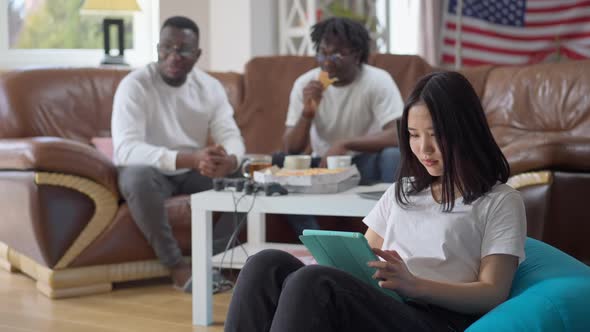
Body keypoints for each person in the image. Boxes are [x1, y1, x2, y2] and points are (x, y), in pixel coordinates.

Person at [225, 71, 527, 332]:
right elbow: (361, 258)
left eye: (435, 135)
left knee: (314, 282)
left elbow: (493, 292)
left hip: (437, 318)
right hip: (388, 303)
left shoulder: (500, 201)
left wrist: (415, 285)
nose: (425, 148)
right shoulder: (404, 190)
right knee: (265, 263)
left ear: (465, 131)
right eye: (413, 134)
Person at [112, 16, 245, 292]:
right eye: (166, 47)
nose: (173, 56)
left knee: (247, 182)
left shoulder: (210, 87)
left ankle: (211, 263)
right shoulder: (134, 85)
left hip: (194, 171)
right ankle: (176, 267)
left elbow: (230, 135)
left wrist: (228, 160)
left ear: (197, 55)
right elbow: (126, 149)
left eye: (183, 49)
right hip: (151, 172)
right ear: (157, 48)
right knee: (136, 176)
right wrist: (191, 158)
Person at [279, 17, 405, 234]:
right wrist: (307, 114)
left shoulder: (377, 80)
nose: (327, 62)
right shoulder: (305, 83)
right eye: (323, 53)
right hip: (323, 166)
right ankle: (318, 240)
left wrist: (344, 143)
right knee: (282, 163)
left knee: (393, 156)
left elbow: (399, 134)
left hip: (364, 163)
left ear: (356, 54)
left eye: (337, 54)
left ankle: (387, 235)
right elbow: (291, 148)